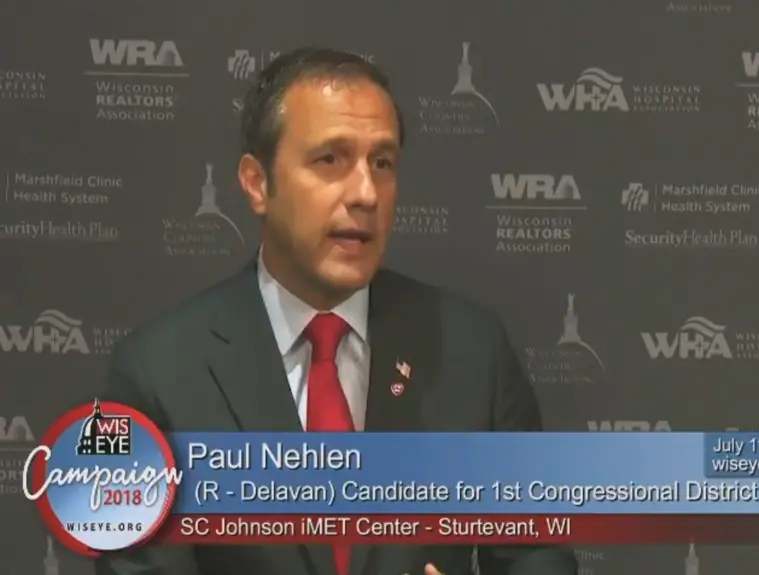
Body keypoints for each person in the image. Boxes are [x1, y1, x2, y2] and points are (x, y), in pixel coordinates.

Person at [95, 48, 577, 575]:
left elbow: (539, 556)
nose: (366, 193)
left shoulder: (473, 351)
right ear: (257, 183)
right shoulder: (159, 373)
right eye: (331, 159)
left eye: (382, 163)